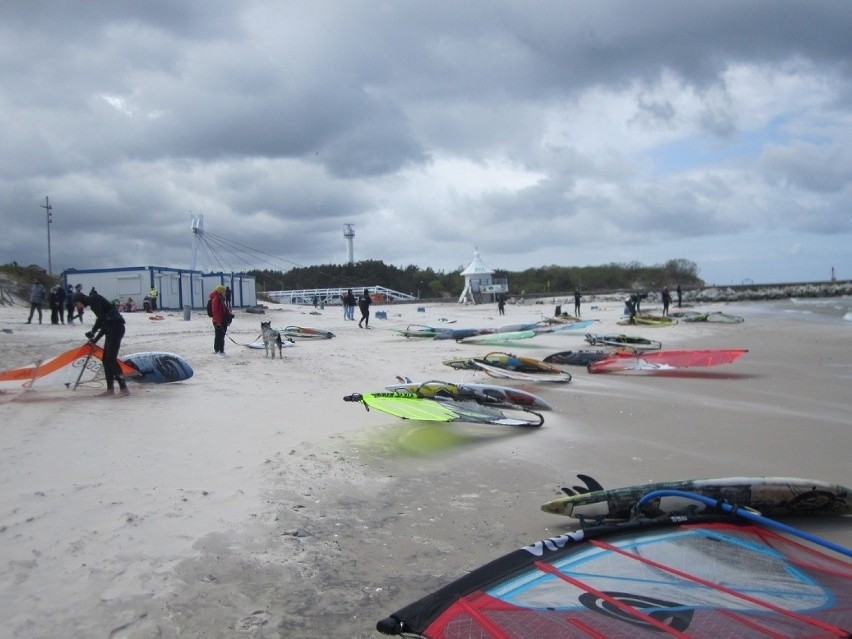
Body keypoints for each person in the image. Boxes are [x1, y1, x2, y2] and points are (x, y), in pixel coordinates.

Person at [72, 291, 128, 397]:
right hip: (111, 328)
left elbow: (103, 321)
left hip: (116, 328)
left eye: (76, 304)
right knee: (106, 360)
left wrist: (94, 338)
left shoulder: (94, 299)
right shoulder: (93, 302)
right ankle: (110, 390)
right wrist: (93, 334)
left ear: (80, 300)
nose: (77, 307)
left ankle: (124, 388)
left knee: (111, 359)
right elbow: (102, 321)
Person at [210, 284, 232, 356]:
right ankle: (218, 350)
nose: (225, 292)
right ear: (220, 291)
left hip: (222, 320)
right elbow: (215, 311)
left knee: (221, 335)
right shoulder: (216, 298)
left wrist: (227, 311)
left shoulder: (220, 298)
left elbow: (222, 309)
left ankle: (220, 349)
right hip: (219, 321)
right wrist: (218, 322)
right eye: (224, 291)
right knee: (219, 335)